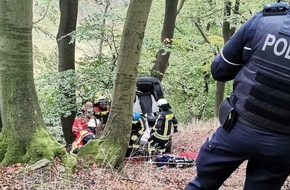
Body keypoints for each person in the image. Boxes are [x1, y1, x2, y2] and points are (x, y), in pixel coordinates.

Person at [186, 2, 290, 190]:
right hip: (283, 144)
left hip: (237, 128)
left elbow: (220, 70)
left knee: (201, 185)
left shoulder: (265, 21)